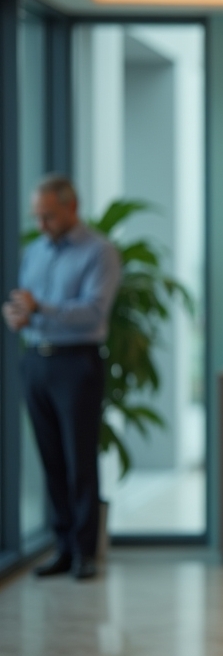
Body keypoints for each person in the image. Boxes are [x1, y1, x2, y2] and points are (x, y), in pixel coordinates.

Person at [2, 175, 120, 581]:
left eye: (49, 216)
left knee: (79, 460)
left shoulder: (100, 252)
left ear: (72, 208)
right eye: (37, 216)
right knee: (51, 460)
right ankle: (64, 548)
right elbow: (27, 304)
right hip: (36, 361)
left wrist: (41, 309)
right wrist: (19, 315)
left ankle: (87, 552)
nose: (42, 224)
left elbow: (93, 312)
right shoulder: (34, 251)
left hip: (77, 364)